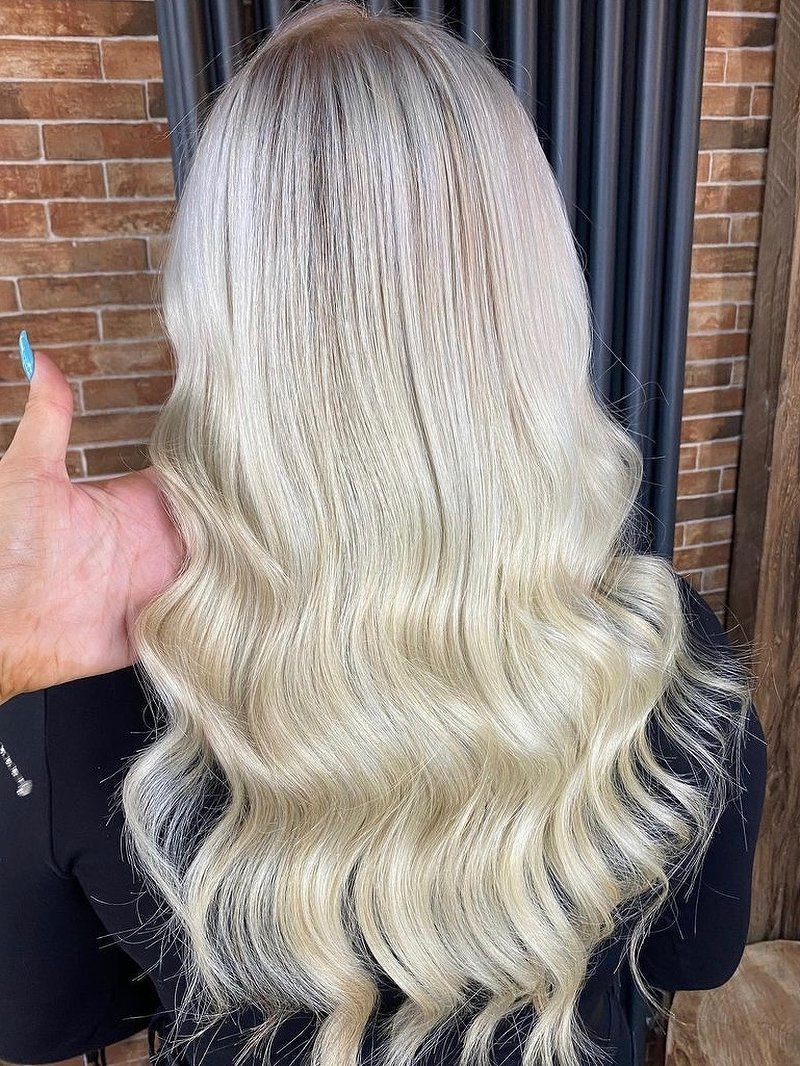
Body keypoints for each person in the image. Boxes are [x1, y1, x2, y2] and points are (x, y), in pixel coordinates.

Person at [0, 3, 767, 1066]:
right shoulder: (658, 646)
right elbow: (698, 958)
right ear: (530, 297)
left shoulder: (79, 687)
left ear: (220, 305)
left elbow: (40, 1017)